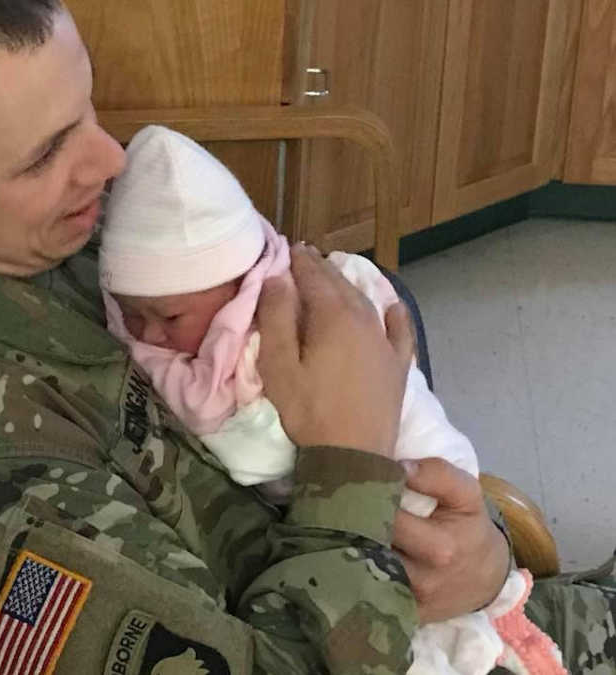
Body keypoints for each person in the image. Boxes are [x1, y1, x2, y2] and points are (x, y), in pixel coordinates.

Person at [0, 0, 616, 673]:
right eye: (44, 154)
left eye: (89, 105)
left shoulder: (36, 231)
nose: (111, 160)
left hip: (422, 594)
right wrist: (351, 461)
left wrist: (475, 552)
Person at [99, 124, 566, 675]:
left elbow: (254, 454)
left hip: (427, 501)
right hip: (351, 592)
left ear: (236, 283)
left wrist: (487, 553)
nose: (149, 336)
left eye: (169, 318)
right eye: (133, 316)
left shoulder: (251, 341)